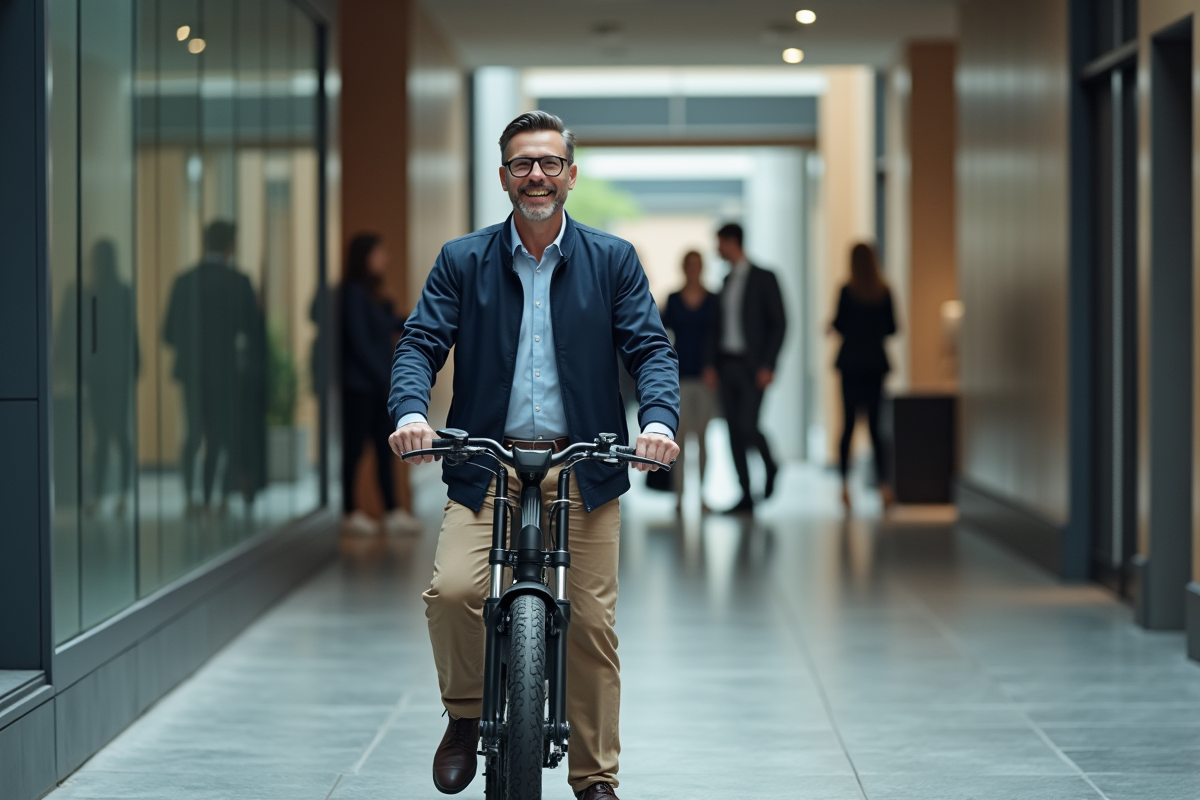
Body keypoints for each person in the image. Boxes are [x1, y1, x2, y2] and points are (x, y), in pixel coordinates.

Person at [388, 110, 680, 800]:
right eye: (523, 164)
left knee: (592, 624)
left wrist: (659, 421)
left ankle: (595, 778)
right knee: (454, 591)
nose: (537, 175)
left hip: (584, 463)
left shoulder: (612, 260)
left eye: (550, 163)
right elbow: (421, 342)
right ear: (503, 177)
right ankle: (463, 715)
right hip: (486, 461)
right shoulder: (464, 259)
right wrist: (410, 411)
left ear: (571, 176)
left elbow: (650, 349)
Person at [163, 221, 265, 516]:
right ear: (230, 246)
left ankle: (192, 497)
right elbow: (251, 332)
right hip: (226, 373)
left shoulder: (184, 281)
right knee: (220, 435)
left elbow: (168, 333)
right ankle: (214, 495)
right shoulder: (239, 281)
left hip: (192, 372)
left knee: (193, 434)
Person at [339, 233, 420, 537]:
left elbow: (388, 326)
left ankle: (392, 510)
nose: (384, 259)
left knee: (385, 451)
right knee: (355, 450)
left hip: (377, 387)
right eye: (380, 253)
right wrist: (385, 379)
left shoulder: (373, 294)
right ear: (365, 257)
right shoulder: (353, 293)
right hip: (360, 387)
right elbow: (359, 342)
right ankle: (349, 511)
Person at [704, 223, 786, 514]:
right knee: (732, 432)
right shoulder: (725, 281)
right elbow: (717, 329)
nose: (717, 250)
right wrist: (711, 365)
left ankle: (772, 465)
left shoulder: (765, 278)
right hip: (727, 366)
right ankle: (745, 495)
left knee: (747, 425)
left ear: (732, 242)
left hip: (753, 368)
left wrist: (768, 364)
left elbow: (779, 323)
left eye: (719, 243)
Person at [829, 242, 897, 513]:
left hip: (850, 365)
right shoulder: (884, 292)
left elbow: (839, 324)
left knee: (847, 427)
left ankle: (845, 486)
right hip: (875, 365)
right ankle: (884, 486)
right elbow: (892, 327)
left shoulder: (847, 291)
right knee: (875, 428)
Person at [660, 250, 719, 514]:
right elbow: (659, 336)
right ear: (684, 268)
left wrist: (714, 367)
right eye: (690, 264)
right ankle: (680, 497)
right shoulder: (672, 300)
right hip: (679, 376)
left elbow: (719, 337)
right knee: (679, 440)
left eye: (698, 264)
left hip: (706, 378)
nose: (694, 269)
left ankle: (704, 494)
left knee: (703, 438)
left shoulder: (713, 300)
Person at [82, 239, 137, 516]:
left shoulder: (107, 292)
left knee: (112, 435)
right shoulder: (93, 292)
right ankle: (110, 493)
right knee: (109, 435)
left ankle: (118, 493)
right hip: (105, 373)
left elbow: (130, 335)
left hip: (109, 373)